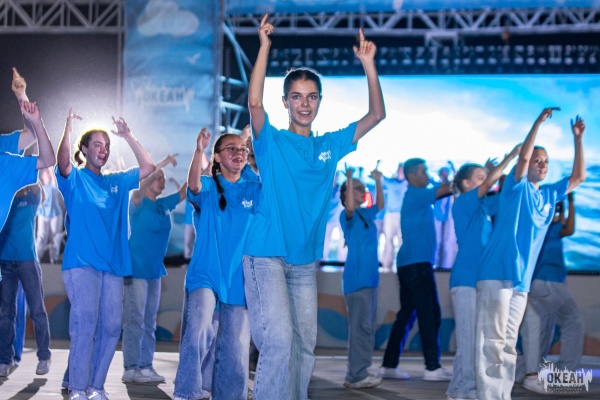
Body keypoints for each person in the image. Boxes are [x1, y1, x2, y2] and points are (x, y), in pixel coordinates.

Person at [243, 13, 385, 399]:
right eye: (296, 96)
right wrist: (264, 47)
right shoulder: (271, 140)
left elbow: (376, 115)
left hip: (304, 262)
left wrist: (368, 64)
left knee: (305, 346)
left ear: (319, 101)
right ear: (285, 102)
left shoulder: (329, 145)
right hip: (266, 255)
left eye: (311, 96)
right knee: (279, 342)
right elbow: (254, 102)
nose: (304, 103)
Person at [475, 109, 585, 400]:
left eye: (546, 161)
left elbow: (578, 177)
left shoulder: (548, 195)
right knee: (493, 342)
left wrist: (578, 139)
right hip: (497, 273)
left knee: (510, 344)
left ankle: (502, 394)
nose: (542, 164)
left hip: (522, 282)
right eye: (538, 160)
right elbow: (522, 159)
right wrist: (538, 123)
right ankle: (488, 396)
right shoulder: (516, 187)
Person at [56, 109, 155, 400]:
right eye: (97, 145)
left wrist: (128, 136)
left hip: (113, 267)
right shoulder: (75, 179)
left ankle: (95, 387)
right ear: (85, 150)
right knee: (85, 325)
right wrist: (67, 130)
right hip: (81, 264)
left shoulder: (117, 181)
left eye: (107, 145)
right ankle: (77, 388)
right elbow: (63, 162)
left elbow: (148, 167)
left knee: (111, 328)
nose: (103, 150)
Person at [174, 130, 260, 400]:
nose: (238, 153)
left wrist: (253, 143)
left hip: (238, 279)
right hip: (206, 274)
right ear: (218, 157)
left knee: (236, 347)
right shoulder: (209, 186)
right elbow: (193, 186)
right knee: (199, 330)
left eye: (242, 149)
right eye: (231, 149)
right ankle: (187, 392)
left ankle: (229, 395)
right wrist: (199, 149)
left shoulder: (252, 188)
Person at [445, 145, 520, 400]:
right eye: (479, 177)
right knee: (468, 342)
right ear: (467, 184)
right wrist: (510, 157)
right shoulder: (463, 203)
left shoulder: (485, 207)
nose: (486, 180)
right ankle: (465, 389)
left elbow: (507, 192)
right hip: (465, 279)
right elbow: (490, 184)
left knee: (475, 341)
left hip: (481, 280)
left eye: (485, 177)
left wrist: (502, 173)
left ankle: (459, 389)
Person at [381, 157, 453, 381]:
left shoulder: (415, 195)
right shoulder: (416, 194)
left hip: (409, 264)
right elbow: (449, 188)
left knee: (407, 316)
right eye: (423, 171)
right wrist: (475, 177)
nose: (427, 175)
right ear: (411, 176)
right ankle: (432, 368)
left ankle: (389, 365)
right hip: (417, 265)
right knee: (429, 314)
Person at [122, 154, 187, 383]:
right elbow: (142, 180)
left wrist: (202, 161)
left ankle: (145, 366)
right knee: (135, 320)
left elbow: (184, 192)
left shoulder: (162, 205)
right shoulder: (138, 202)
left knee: (150, 322)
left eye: (163, 178)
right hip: (137, 270)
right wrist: (163, 163)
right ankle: (131, 368)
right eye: (158, 178)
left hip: (155, 271)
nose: (162, 181)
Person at [520, 192, 584, 394]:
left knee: (543, 329)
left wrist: (560, 208)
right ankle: (565, 373)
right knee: (573, 320)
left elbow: (559, 222)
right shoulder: (551, 227)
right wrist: (571, 202)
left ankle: (528, 371)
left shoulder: (536, 227)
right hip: (550, 282)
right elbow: (569, 228)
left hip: (535, 283)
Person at [0, 183, 52, 377]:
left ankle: (44, 356)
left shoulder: (31, 196)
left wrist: (25, 178)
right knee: (6, 314)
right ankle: (5, 359)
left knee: (37, 310)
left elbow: (39, 188)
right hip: (5, 261)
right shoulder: (4, 199)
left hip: (27, 260)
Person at [339, 167, 384, 389]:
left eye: (363, 188)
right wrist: (349, 179)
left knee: (366, 328)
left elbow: (380, 206)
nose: (362, 191)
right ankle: (356, 375)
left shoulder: (366, 214)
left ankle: (359, 372)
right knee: (360, 329)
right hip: (357, 281)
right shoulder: (347, 215)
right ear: (347, 192)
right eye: (358, 189)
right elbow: (349, 207)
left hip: (370, 280)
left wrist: (378, 182)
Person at [381, 163, 407, 271]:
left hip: (402, 215)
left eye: (403, 170)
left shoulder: (407, 183)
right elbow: (380, 178)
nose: (401, 172)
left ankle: (403, 265)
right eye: (400, 170)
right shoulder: (391, 182)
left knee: (402, 240)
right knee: (388, 239)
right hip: (390, 215)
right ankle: (387, 265)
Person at [35, 167, 64, 263]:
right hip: (43, 215)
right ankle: (36, 258)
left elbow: (54, 179)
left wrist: (50, 169)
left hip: (55, 214)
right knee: (41, 237)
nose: (47, 175)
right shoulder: (41, 189)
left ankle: (54, 258)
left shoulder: (53, 187)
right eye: (45, 174)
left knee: (56, 237)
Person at [434, 165, 457, 269]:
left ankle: (446, 265)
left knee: (448, 242)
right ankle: (436, 264)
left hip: (449, 218)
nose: (443, 175)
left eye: (445, 173)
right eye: (442, 173)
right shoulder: (436, 186)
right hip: (437, 217)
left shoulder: (451, 186)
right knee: (437, 242)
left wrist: (453, 167)